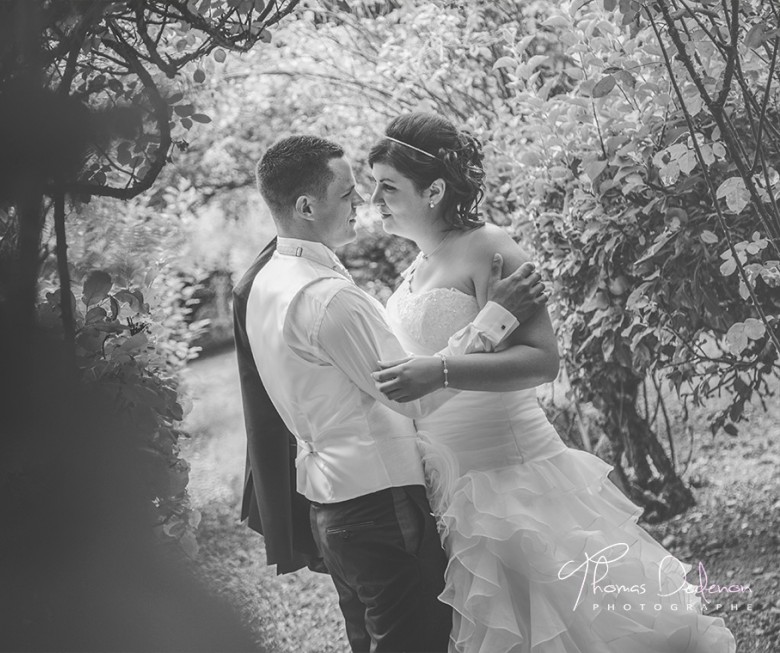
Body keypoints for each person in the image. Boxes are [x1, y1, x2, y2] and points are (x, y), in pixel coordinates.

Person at [369, 112, 737, 652]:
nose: (373, 197)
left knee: (573, 623)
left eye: (387, 185)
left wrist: (441, 370)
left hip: (513, 473)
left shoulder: (490, 248)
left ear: (434, 190)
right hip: (452, 482)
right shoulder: (413, 270)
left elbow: (542, 361)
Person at [233, 134, 547, 652]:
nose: (363, 204)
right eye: (349, 194)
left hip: (331, 506)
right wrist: (492, 319)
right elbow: (414, 395)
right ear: (306, 206)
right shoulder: (329, 298)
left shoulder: (264, 283)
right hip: (380, 508)